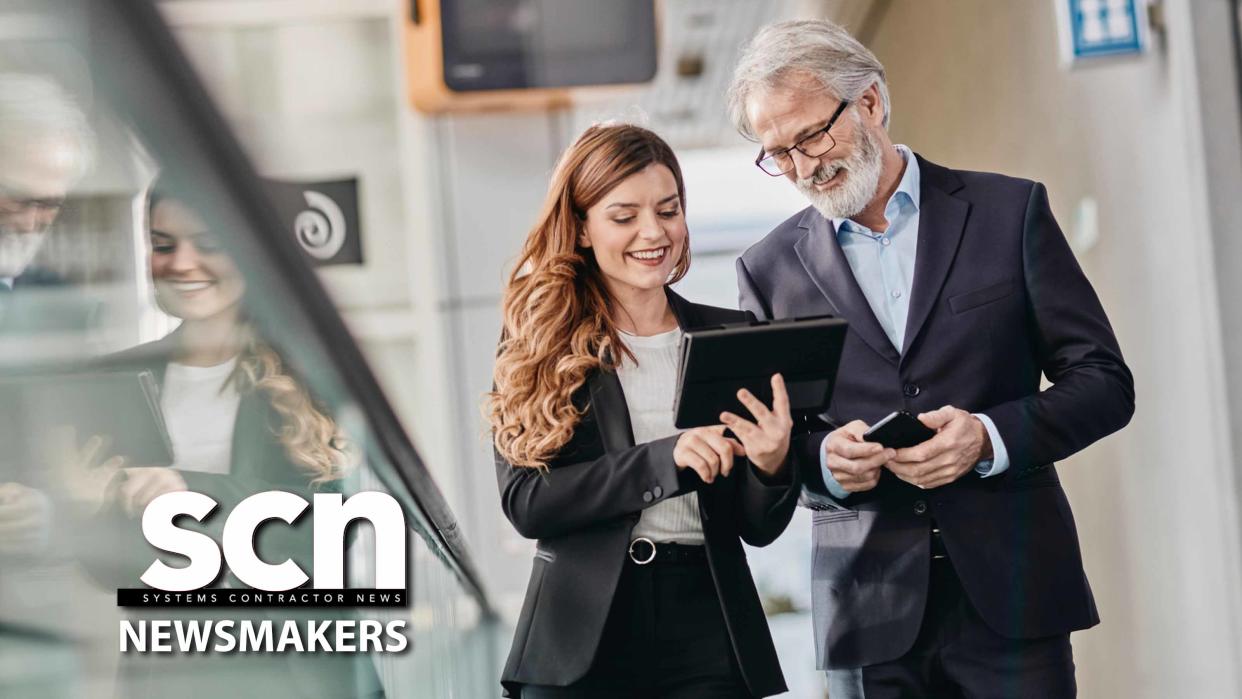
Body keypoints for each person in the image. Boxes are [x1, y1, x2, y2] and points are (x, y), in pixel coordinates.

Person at [727, 19, 1135, 699]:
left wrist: (989, 436)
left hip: (1014, 599)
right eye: (779, 153)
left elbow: (1103, 381)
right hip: (866, 617)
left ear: (870, 104)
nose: (801, 168)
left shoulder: (1010, 212)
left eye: (810, 137)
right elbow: (777, 447)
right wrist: (824, 460)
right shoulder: (766, 272)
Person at [487, 124, 799, 699]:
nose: (653, 233)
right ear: (581, 227)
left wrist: (772, 464)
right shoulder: (539, 340)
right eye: (624, 216)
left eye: (668, 210)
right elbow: (527, 502)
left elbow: (756, 528)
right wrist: (665, 460)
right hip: (581, 635)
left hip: (706, 623)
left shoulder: (732, 336)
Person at [64, 183, 384, 698]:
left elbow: (329, 529)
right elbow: (111, 569)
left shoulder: (313, 372)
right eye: (163, 244)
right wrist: (86, 510)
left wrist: (182, 492)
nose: (182, 262)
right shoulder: (113, 378)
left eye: (209, 242)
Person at [0, 71, 96, 557]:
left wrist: (48, 509)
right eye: (17, 195)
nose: (28, 221)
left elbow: (73, 455)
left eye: (50, 204)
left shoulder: (64, 308)